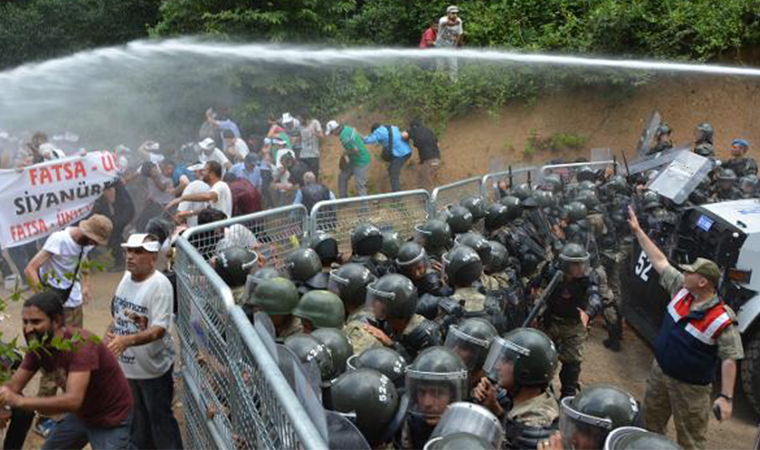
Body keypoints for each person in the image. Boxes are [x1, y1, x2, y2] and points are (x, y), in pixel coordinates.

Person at [628, 206, 743, 450]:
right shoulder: (681, 288)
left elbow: (730, 359)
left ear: (702, 282)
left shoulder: (721, 319)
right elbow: (659, 260)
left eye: (690, 272)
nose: (684, 272)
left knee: (690, 442)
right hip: (661, 374)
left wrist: (726, 397)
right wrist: (638, 231)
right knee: (650, 427)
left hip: (691, 391)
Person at [0, 291, 133, 449]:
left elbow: (73, 400)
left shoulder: (82, 345)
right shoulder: (38, 348)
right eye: (25, 322)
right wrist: (3, 406)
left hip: (111, 417)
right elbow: (13, 387)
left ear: (56, 321)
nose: (28, 329)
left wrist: (21, 401)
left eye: (35, 322)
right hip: (81, 415)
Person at [23, 214, 113, 437]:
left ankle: (68, 406)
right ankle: (43, 418)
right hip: (53, 307)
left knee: (73, 356)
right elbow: (30, 269)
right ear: (86, 233)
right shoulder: (59, 239)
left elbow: (84, 265)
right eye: (93, 240)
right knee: (51, 360)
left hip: (73, 305)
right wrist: (43, 302)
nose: (94, 244)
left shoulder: (86, 246)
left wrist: (87, 284)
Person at [106, 234, 183, 449]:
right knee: (138, 422)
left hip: (153, 370)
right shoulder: (125, 277)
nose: (130, 256)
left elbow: (159, 329)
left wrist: (126, 341)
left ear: (152, 257)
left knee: (160, 421)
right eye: (128, 251)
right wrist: (109, 343)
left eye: (138, 251)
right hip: (128, 368)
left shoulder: (160, 285)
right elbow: (118, 315)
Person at [166, 160, 232, 220]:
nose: (202, 173)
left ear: (212, 174)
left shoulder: (220, 185)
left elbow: (207, 197)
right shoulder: (214, 188)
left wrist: (183, 198)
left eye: (205, 170)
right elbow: (208, 211)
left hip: (221, 229)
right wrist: (188, 213)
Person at [326, 120, 371, 198]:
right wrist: (363, 138)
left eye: (331, 132)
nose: (332, 135)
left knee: (360, 186)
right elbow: (355, 131)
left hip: (361, 162)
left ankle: (365, 209)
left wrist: (344, 153)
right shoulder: (347, 128)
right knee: (342, 176)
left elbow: (355, 150)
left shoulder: (343, 138)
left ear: (336, 129)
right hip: (355, 160)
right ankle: (343, 200)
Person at [364, 123, 413, 192]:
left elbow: (369, 140)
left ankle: (397, 194)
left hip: (400, 154)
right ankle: (398, 185)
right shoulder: (392, 127)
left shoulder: (378, 131)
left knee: (393, 171)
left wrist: (359, 137)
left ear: (374, 130)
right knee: (392, 168)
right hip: (406, 151)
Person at [405, 120, 442, 190]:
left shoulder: (414, 131)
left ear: (413, 127)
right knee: (423, 176)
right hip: (437, 159)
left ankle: (429, 199)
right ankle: (428, 196)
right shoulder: (428, 130)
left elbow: (404, 135)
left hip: (429, 160)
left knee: (426, 181)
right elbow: (438, 144)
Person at [435, 6, 464, 78]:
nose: (455, 15)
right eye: (453, 13)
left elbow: (459, 34)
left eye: (456, 13)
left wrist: (456, 45)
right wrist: (454, 23)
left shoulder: (459, 21)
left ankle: (454, 84)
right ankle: (438, 83)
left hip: (451, 47)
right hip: (440, 46)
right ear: (447, 13)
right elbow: (447, 23)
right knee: (440, 66)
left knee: (454, 66)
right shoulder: (442, 19)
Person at [299, 114, 323, 179]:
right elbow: (301, 139)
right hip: (303, 156)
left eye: (300, 119)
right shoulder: (301, 126)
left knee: (314, 176)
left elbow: (321, 136)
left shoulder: (315, 123)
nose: (299, 121)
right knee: (304, 177)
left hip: (313, 155)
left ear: (305, 119)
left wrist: (314, 132)